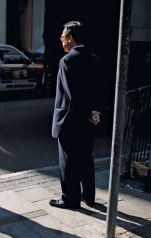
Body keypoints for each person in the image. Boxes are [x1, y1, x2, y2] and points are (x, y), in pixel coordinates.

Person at [49, 21, 102, 209]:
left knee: (68, 162)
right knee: (86, 158)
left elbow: (72, 94)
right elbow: (98, 91)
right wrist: (94, 111)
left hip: (70, 120)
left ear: (70, 38)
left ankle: (70, 198)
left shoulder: (67, 61)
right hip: (89, 119)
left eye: (63, 37)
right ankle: (89, 196)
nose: (61, 40)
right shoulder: (94, 58)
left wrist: (87, 111)